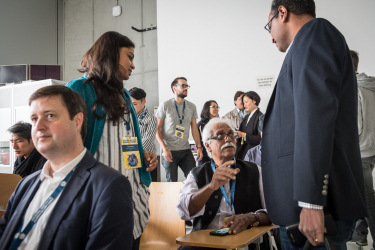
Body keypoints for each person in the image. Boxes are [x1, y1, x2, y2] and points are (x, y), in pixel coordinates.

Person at [262, 1, 367, 249]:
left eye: (269, 27)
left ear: (282, 13)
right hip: (301, 208)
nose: (271, 38)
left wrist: (311, 203)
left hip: (311, 209)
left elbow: (315, 119)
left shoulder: (315, 34)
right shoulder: (305, 45)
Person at [0, 85, 133, 249]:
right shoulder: (25, 184)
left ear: (77, 121)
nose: (39, 126)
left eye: (50, 115)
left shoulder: (109, 186)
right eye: (34, 119)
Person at [66, 31, 157, 250]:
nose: (133, 65)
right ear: (110, 55)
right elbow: (65, 145)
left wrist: (141, 155)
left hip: (132, 198)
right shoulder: (80, 89)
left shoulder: (124, 95)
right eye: (130, 56)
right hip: (97, 199)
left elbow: (124, 139)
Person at [176, 117, 271, 250]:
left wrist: (251, 217)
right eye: (220, 135)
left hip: (247, 241)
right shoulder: (196, 174)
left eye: (231, 134)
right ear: (207, 146)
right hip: (207, 243)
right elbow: (183, 212)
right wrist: (210, 187)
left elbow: (274, 213)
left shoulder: (255, 171)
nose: (228, 139)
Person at [349, 50, 375, 248]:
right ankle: (360, 233)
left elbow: (356, 126)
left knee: (367, 199)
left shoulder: (353, 89)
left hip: (362, 151)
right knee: (363, 196)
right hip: (372, 147)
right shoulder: (371, 85)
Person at [156, 77, 203, 182]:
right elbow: (157, 129)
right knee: (172, 183)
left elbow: (194, 129)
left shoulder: (191, 106)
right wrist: (164, 149)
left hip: (186, 150)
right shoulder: (165, 105)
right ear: (174, 88)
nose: (186, 88)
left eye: (187, 86)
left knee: (194, 180)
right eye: (183, 85)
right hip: (169, 150)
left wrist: (199, 147)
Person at [236, 91, 263, 160]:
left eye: (246, 102)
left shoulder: (260, 117)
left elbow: (260, 139)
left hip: (253, 154)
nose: (244, 105)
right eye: (244, 103)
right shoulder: (247, 117)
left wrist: (243, 135)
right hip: (243, 152)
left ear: (254, 101)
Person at [197, 100, 220, 166]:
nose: (216, 109)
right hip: (204, 157)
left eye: (217, 107)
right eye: (213, 107)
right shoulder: (201, 125)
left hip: (218, 156)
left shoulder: (220, 123)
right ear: (207, 108)